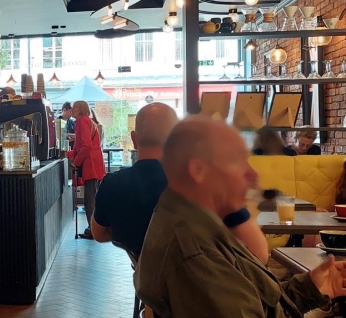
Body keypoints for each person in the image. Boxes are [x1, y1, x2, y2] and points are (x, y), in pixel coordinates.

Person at [135, 116, 346, 318]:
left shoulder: (197, 223)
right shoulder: (198, 256)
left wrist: (310, 287)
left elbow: (257, 302)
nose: (253, 175)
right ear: (198, 169)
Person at [91, 104, 268, 263]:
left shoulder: (111, 185)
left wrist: (134, 229)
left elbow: (99, 234)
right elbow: (258, 253)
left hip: (151, 288)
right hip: (205, 290)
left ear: (134, 139)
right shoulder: (201, 182)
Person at [67, 100, 105, 239]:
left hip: (90, 163)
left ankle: (93, 229)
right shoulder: (87, 121)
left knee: (90, 198)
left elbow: (86, 146)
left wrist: (76, 162)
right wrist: (69, 154)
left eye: (74, 108)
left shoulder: (83, 122)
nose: (72, 110)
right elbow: (81, 145)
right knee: (92, 196)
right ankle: (93, 228)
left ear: (81, 109)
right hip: (94, 162)